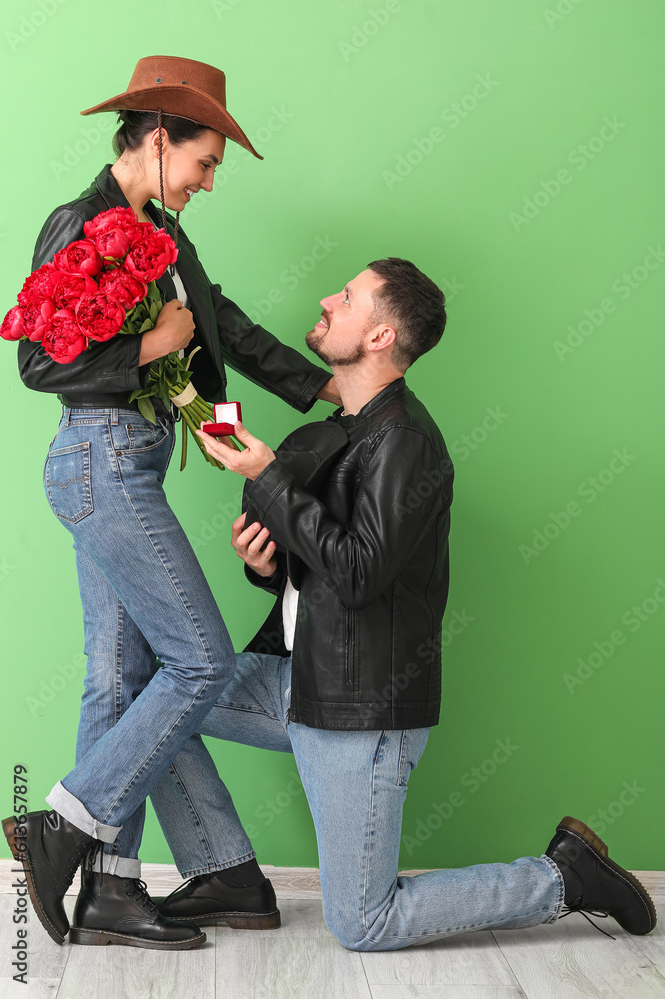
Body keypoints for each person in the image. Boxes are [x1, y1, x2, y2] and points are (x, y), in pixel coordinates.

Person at [144, 258, 657, 950]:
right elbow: (334, 567)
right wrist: (267, 568)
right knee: (151, 698)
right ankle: (225, 872)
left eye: (347, 297)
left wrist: (266, 476)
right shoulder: (351, 428)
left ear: (382, 336)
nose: (327, 299)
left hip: (357, 711)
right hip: (303, 682)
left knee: (363, 922)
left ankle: (563, 878)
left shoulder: (405, 443)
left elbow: (358, 575)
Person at [2, 55, 340, 951]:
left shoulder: (162, 236)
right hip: (100, 457)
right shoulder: (80, 225)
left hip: (134, 461)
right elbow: (40, 363)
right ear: (159, 139)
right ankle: (66, 824)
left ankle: (126, 887)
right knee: (196, 662)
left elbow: (219, 327)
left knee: (121, 680)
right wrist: (153, 345)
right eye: (204, 160)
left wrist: (324, 392)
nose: (208, 179)